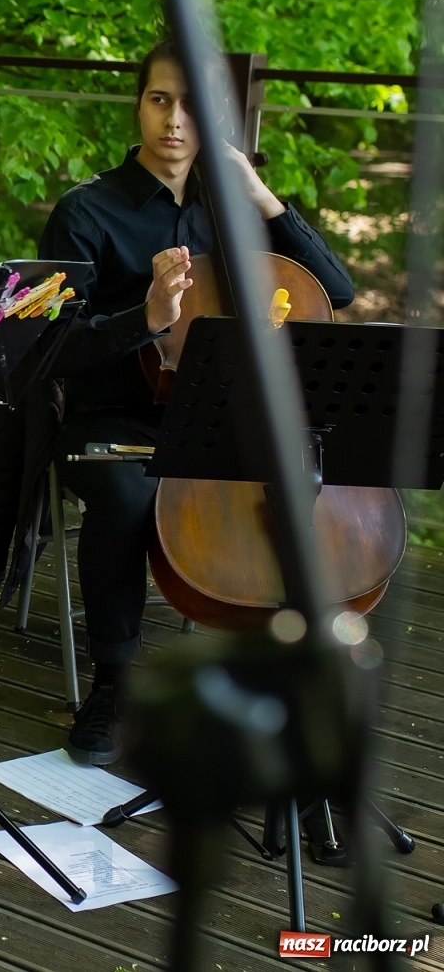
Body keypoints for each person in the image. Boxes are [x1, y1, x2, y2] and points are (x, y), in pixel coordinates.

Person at [37, 39, 354, 765]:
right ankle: (113, 685)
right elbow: (53, 348)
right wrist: (144, 316)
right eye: (159, 100)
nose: (174, 121)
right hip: (111, 417)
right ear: (138, 106)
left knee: (298, 480)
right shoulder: (87, 212)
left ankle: (273, 670)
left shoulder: (237, 214)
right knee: (122, 495)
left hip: (219, 417)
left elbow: (333, 291)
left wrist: (265, 201)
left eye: (193, 106)